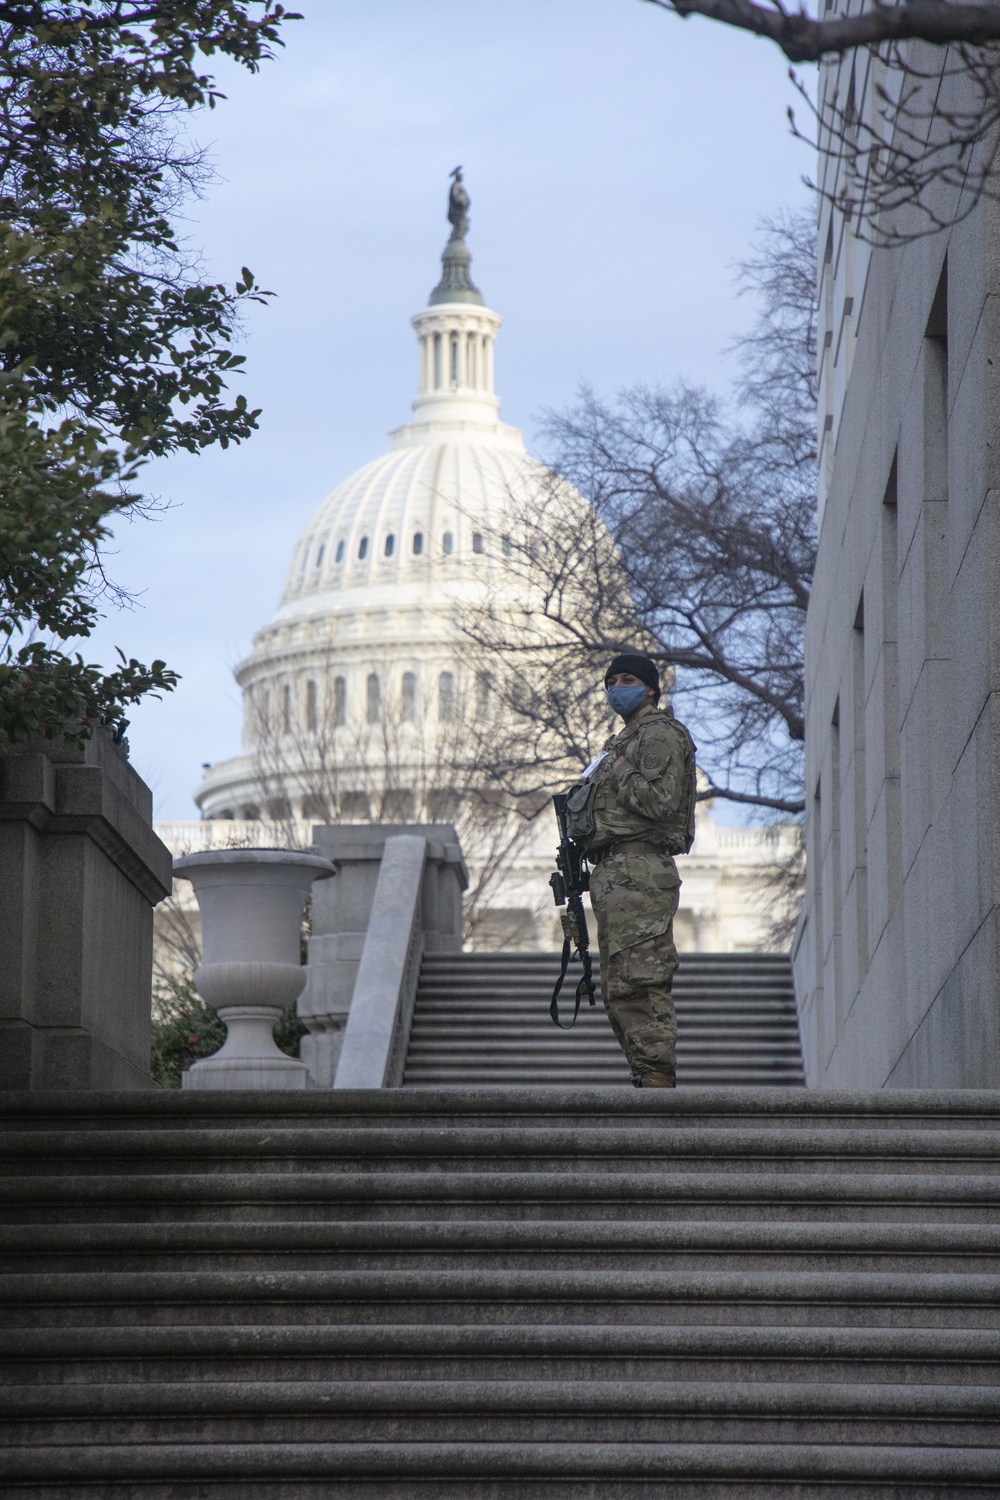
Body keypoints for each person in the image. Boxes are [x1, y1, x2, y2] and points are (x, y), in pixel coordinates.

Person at [575, 653, 696, 1088]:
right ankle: (646, 1076)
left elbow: (659, 802)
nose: (616, 688)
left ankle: (658, 1083)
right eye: (610, 681)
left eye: (627, 679)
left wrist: (622, 769)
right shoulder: (624, 740)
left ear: (649, 688)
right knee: (619, 989)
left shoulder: (657, 734)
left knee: (639, 983)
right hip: (617, 871)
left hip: (639, 869)